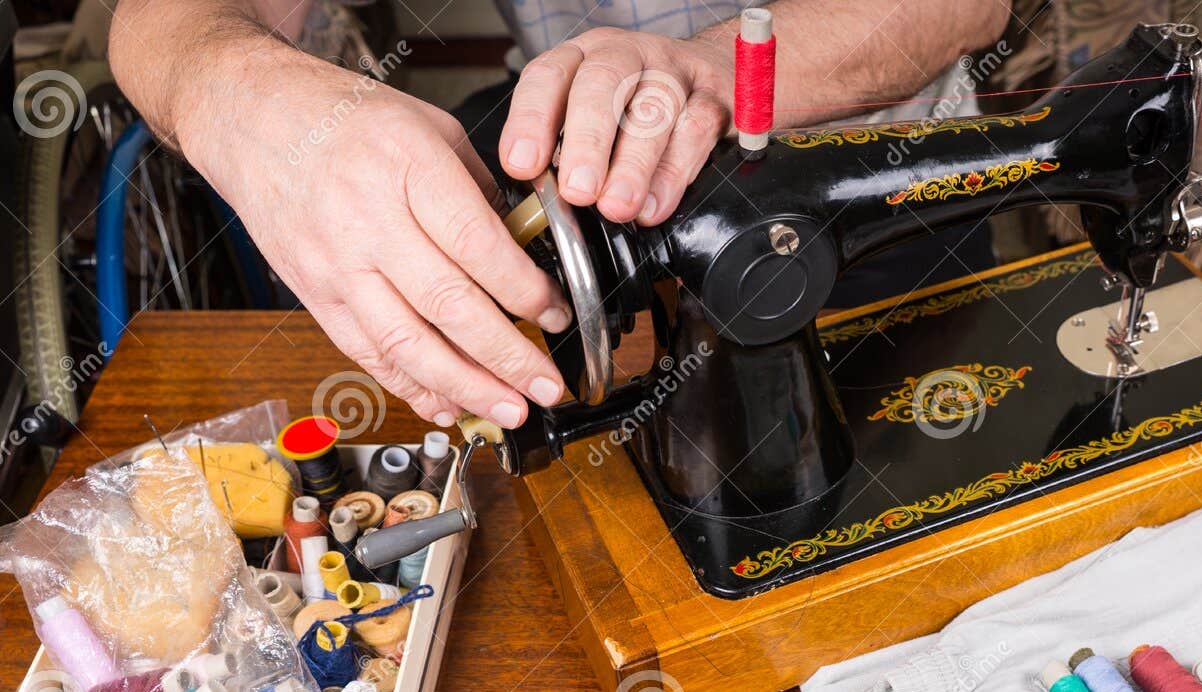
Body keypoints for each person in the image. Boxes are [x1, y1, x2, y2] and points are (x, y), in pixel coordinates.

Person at [107, 0, 1010, 429]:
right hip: (588, 184)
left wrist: (705, 70)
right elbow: (159, 22)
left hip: (883, 191)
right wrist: (245, 96)